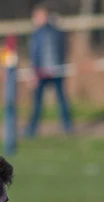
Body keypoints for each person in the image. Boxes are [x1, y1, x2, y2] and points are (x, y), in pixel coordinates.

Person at [26, 4, 73, 137]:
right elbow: (64, 49)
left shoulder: (38, 34)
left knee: (38, 103)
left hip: (42, 72)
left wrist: (34, 73)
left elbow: (35, 55)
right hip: (57, 70)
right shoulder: (58, 31)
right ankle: (67, 127)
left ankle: (31, 130)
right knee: (61, 100)